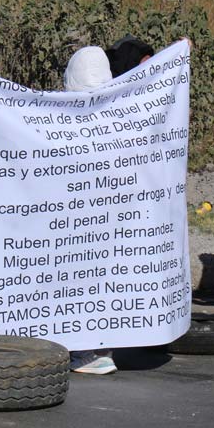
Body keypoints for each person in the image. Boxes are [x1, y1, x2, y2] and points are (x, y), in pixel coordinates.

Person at [63, 46, 118, 375]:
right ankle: (99, 348)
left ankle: (85, 351)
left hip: (76, 220)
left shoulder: (59, 117)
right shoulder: (122, 114)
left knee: (77, 279)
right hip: (108, 219)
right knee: (101, 278)